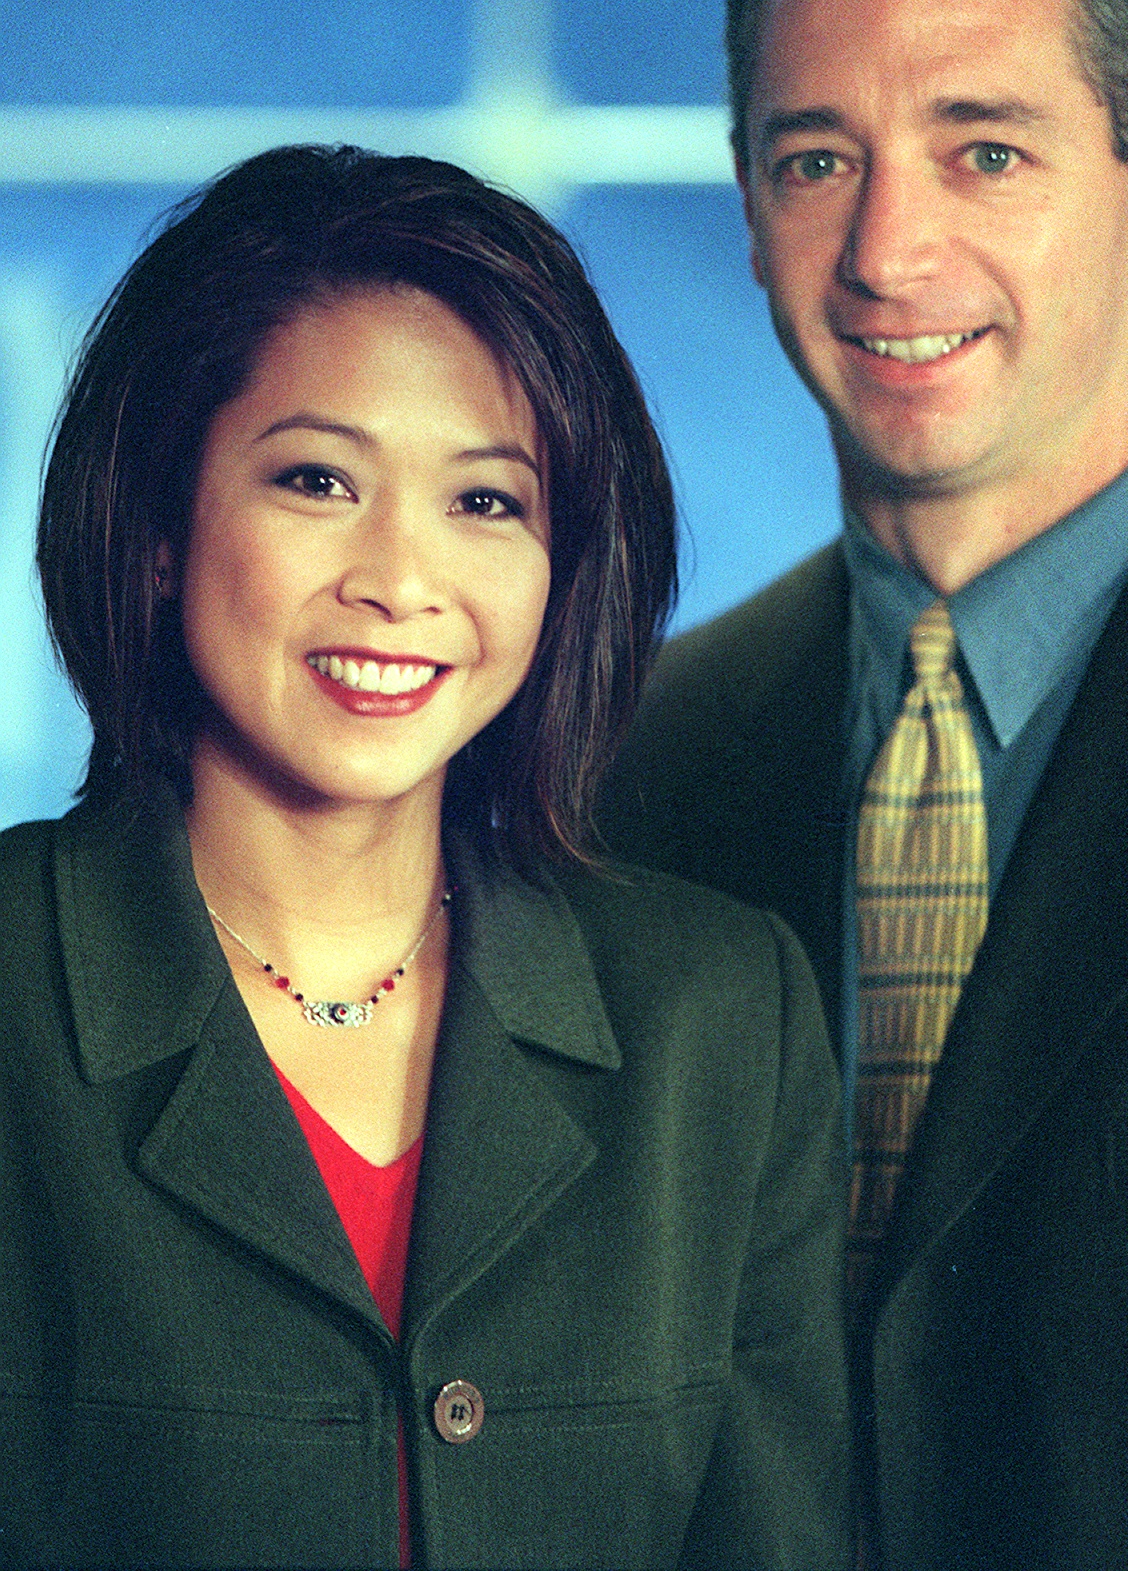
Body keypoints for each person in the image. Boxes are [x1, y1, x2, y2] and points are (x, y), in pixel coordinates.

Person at [3, 144, 850, 1570]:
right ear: (159, 527)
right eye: (319, 479)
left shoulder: (717, 1018)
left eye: (485, 502)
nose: (400, 581)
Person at [599, 0, 1128, 1570]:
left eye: (984, 150)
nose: (887, 252)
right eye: (818, 159)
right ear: (746, 206)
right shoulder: (621, 768)